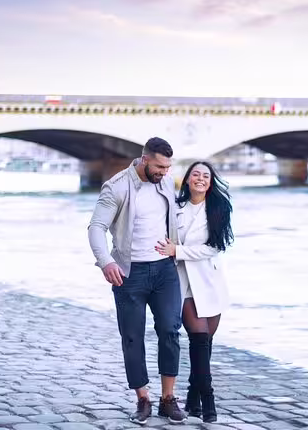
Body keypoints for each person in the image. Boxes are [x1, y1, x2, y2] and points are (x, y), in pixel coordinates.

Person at [87, 137, 187, 425]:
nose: (164, 172)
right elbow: (96, 227)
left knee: (170, 330)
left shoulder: (166, 181)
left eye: (168, 166)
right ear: (144, 160)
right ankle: (143, 399)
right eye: (159, 166)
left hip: (165, 271)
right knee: (132, 336)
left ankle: (168, 399)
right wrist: (105, 261)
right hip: (129, 274)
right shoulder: (116, 187)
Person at [155, 161, 233, 423]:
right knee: (199, 340)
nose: (200, 179)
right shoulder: (174, 208)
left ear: (211, 182)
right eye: (195, 175)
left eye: (206, 176)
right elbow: (162, 241)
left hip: (210, 281)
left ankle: (192, 398)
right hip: (183, 283)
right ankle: (209, 401)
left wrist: (178, 251)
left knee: (205, 345)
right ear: (187, 180)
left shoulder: (219, 207)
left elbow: (214, 247)